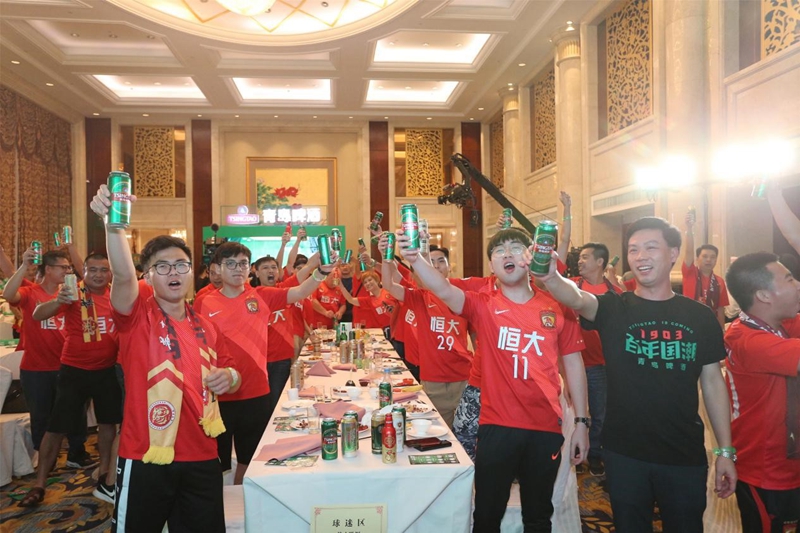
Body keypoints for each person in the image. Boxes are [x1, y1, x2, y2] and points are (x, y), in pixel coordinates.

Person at [537, 216, 736, 532]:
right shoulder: (615, 307)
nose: (641, 256)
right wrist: (550, 277)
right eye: (633, 250)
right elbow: (576, 297)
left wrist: (725, 450)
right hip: (625, 452)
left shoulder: (699, 316)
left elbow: (713, 382)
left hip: (683, 453)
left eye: (651, 247)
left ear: (673, 253)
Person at [398, 227, 588, 532]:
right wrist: (415, 258)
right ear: (491, 266)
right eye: (499, 251)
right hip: (496, 426)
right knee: (487, 514)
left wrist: (581, 422)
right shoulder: (482, 304)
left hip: (545, 429)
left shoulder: (557, 307)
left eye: (516, 248)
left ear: (530, 257)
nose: (507, 254)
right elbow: (443, 289)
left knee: (539, 515)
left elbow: (574, 363)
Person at [90, 185, 241, 532]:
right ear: (147, 276)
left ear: (191, 271)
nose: (174, 272)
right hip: (146, 455)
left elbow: (233, 372)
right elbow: (122, 275)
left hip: (203, 454)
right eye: (162, 267)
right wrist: (114, 226)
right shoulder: (136, 316)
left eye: (181, 265)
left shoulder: (207, 326)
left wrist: (229, 377)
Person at [196, 242, 332, 484]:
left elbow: (300, 292)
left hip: (256, 391)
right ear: (217, 268)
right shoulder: (203, 302)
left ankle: (240, 495)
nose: (238, 269)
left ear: (249, 269)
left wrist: (321, 272)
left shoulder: (262, 296)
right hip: (217, 395)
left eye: (242, 264)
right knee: (214, 461)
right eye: (230, 263)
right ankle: (216, 501)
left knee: (250, 458)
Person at [17, 253, 122, 507]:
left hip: (107, 370)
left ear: (110, 273)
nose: (98, 275)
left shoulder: (116, 295)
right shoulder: (73, 293)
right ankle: (40, 484)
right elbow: (38, 314)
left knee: (108, 424)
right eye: (92, 270)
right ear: (83, 272)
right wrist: (57, 301)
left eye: (104, 270)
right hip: (74, 370)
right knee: (56, 427)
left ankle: (105, 474)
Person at [724, 252, 800, 532]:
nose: (798, 285)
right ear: (764, 296)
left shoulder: (778, 323)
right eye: (789, 279)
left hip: (786, 460)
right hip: (765, 468)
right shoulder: (747, 339)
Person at [2, 248, 91, 468]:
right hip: (37, 369)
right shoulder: (31, 293)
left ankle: (76, 454)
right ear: (48, 269)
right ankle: (45, 460)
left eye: (69, 267)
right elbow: (9, 295)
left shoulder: (71, 294)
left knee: (75, 412)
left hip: (68, 365)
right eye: (63, 267)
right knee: (41, 416)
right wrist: (24, 266)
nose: (68, 271)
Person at [381, 244, 472, 428]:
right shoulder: (420, 297)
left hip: (463, 378)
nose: (436, 266)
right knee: (439, 432)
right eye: (431, 262)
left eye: (441, 261)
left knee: (467, 434)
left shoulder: (464, 296)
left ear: (449, 266)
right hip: (433, 380)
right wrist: (385, 256)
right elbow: (389, 285)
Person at [570, 242, 622, 477]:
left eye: (585, 257)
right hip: (573, 362)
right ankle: (575, 453)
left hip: (601, 364)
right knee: (574, 413)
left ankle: (594, 454)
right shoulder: (571, 287)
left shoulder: (615, 292)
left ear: (600, 262)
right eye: (579, 257)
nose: (580, 261)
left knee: (599, 414)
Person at [682, 210, 730, 328]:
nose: (709, 260)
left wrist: (721, 331)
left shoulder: (719, 282)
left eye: (712, 257)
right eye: (704, 256)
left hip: (709, 325)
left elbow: (720, 310)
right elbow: (688, 251)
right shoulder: (690, 273)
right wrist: (689, 229)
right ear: (697, 258)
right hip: (689, 323)